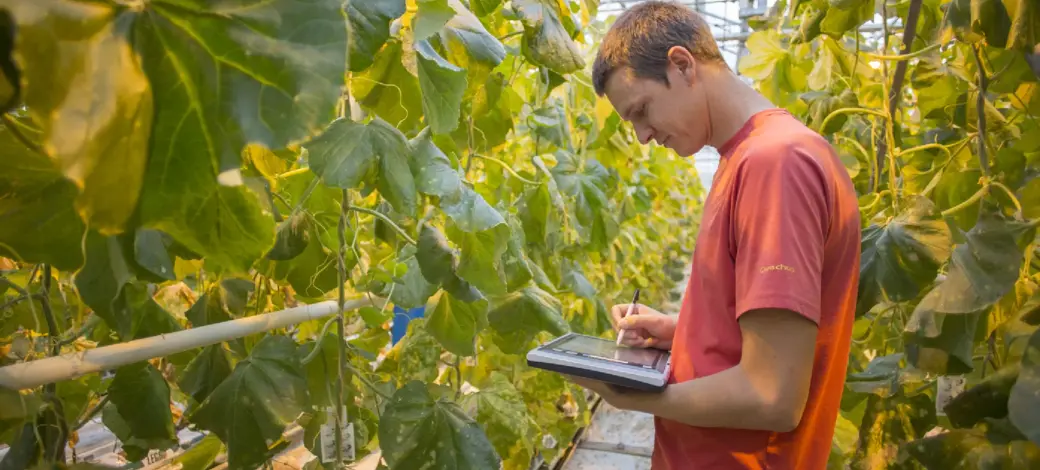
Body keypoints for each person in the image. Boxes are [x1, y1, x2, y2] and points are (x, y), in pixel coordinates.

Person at [563, 2, 862, 469]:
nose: (642, 135)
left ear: (682, 65)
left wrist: (635, 397)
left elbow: (772, 396)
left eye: (641, 110)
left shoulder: (775, 164)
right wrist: (680, 335)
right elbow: (768, 341)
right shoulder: (743, 158)